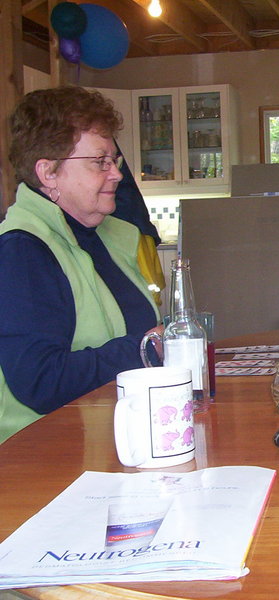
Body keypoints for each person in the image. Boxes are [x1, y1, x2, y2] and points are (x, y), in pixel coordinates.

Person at [0, 86, 162, 443]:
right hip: (48, 457)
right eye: (100, 161)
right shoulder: (22, 251)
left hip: (118, 443)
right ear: (48, 173)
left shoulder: (109, 237)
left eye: (114, 161)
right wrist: (145, 349)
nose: (116, 174)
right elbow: (41, 382)